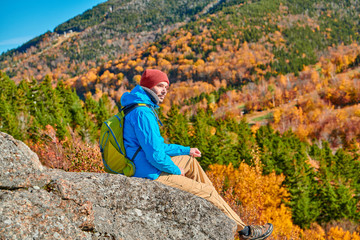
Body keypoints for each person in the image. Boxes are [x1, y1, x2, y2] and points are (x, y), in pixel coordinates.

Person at [120, 69, 273, 239]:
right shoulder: (143, 113)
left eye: (166, 87)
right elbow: (155, 155)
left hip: (144, 164)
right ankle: (245, 232)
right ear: (149, 86)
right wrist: (176, 170)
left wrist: (186, 150)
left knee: (189, 161)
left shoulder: (140, 106)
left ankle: (215, 203)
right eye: (160, 86)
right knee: (205, 191)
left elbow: (158, 147)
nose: (164, 90)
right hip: (148, 172)